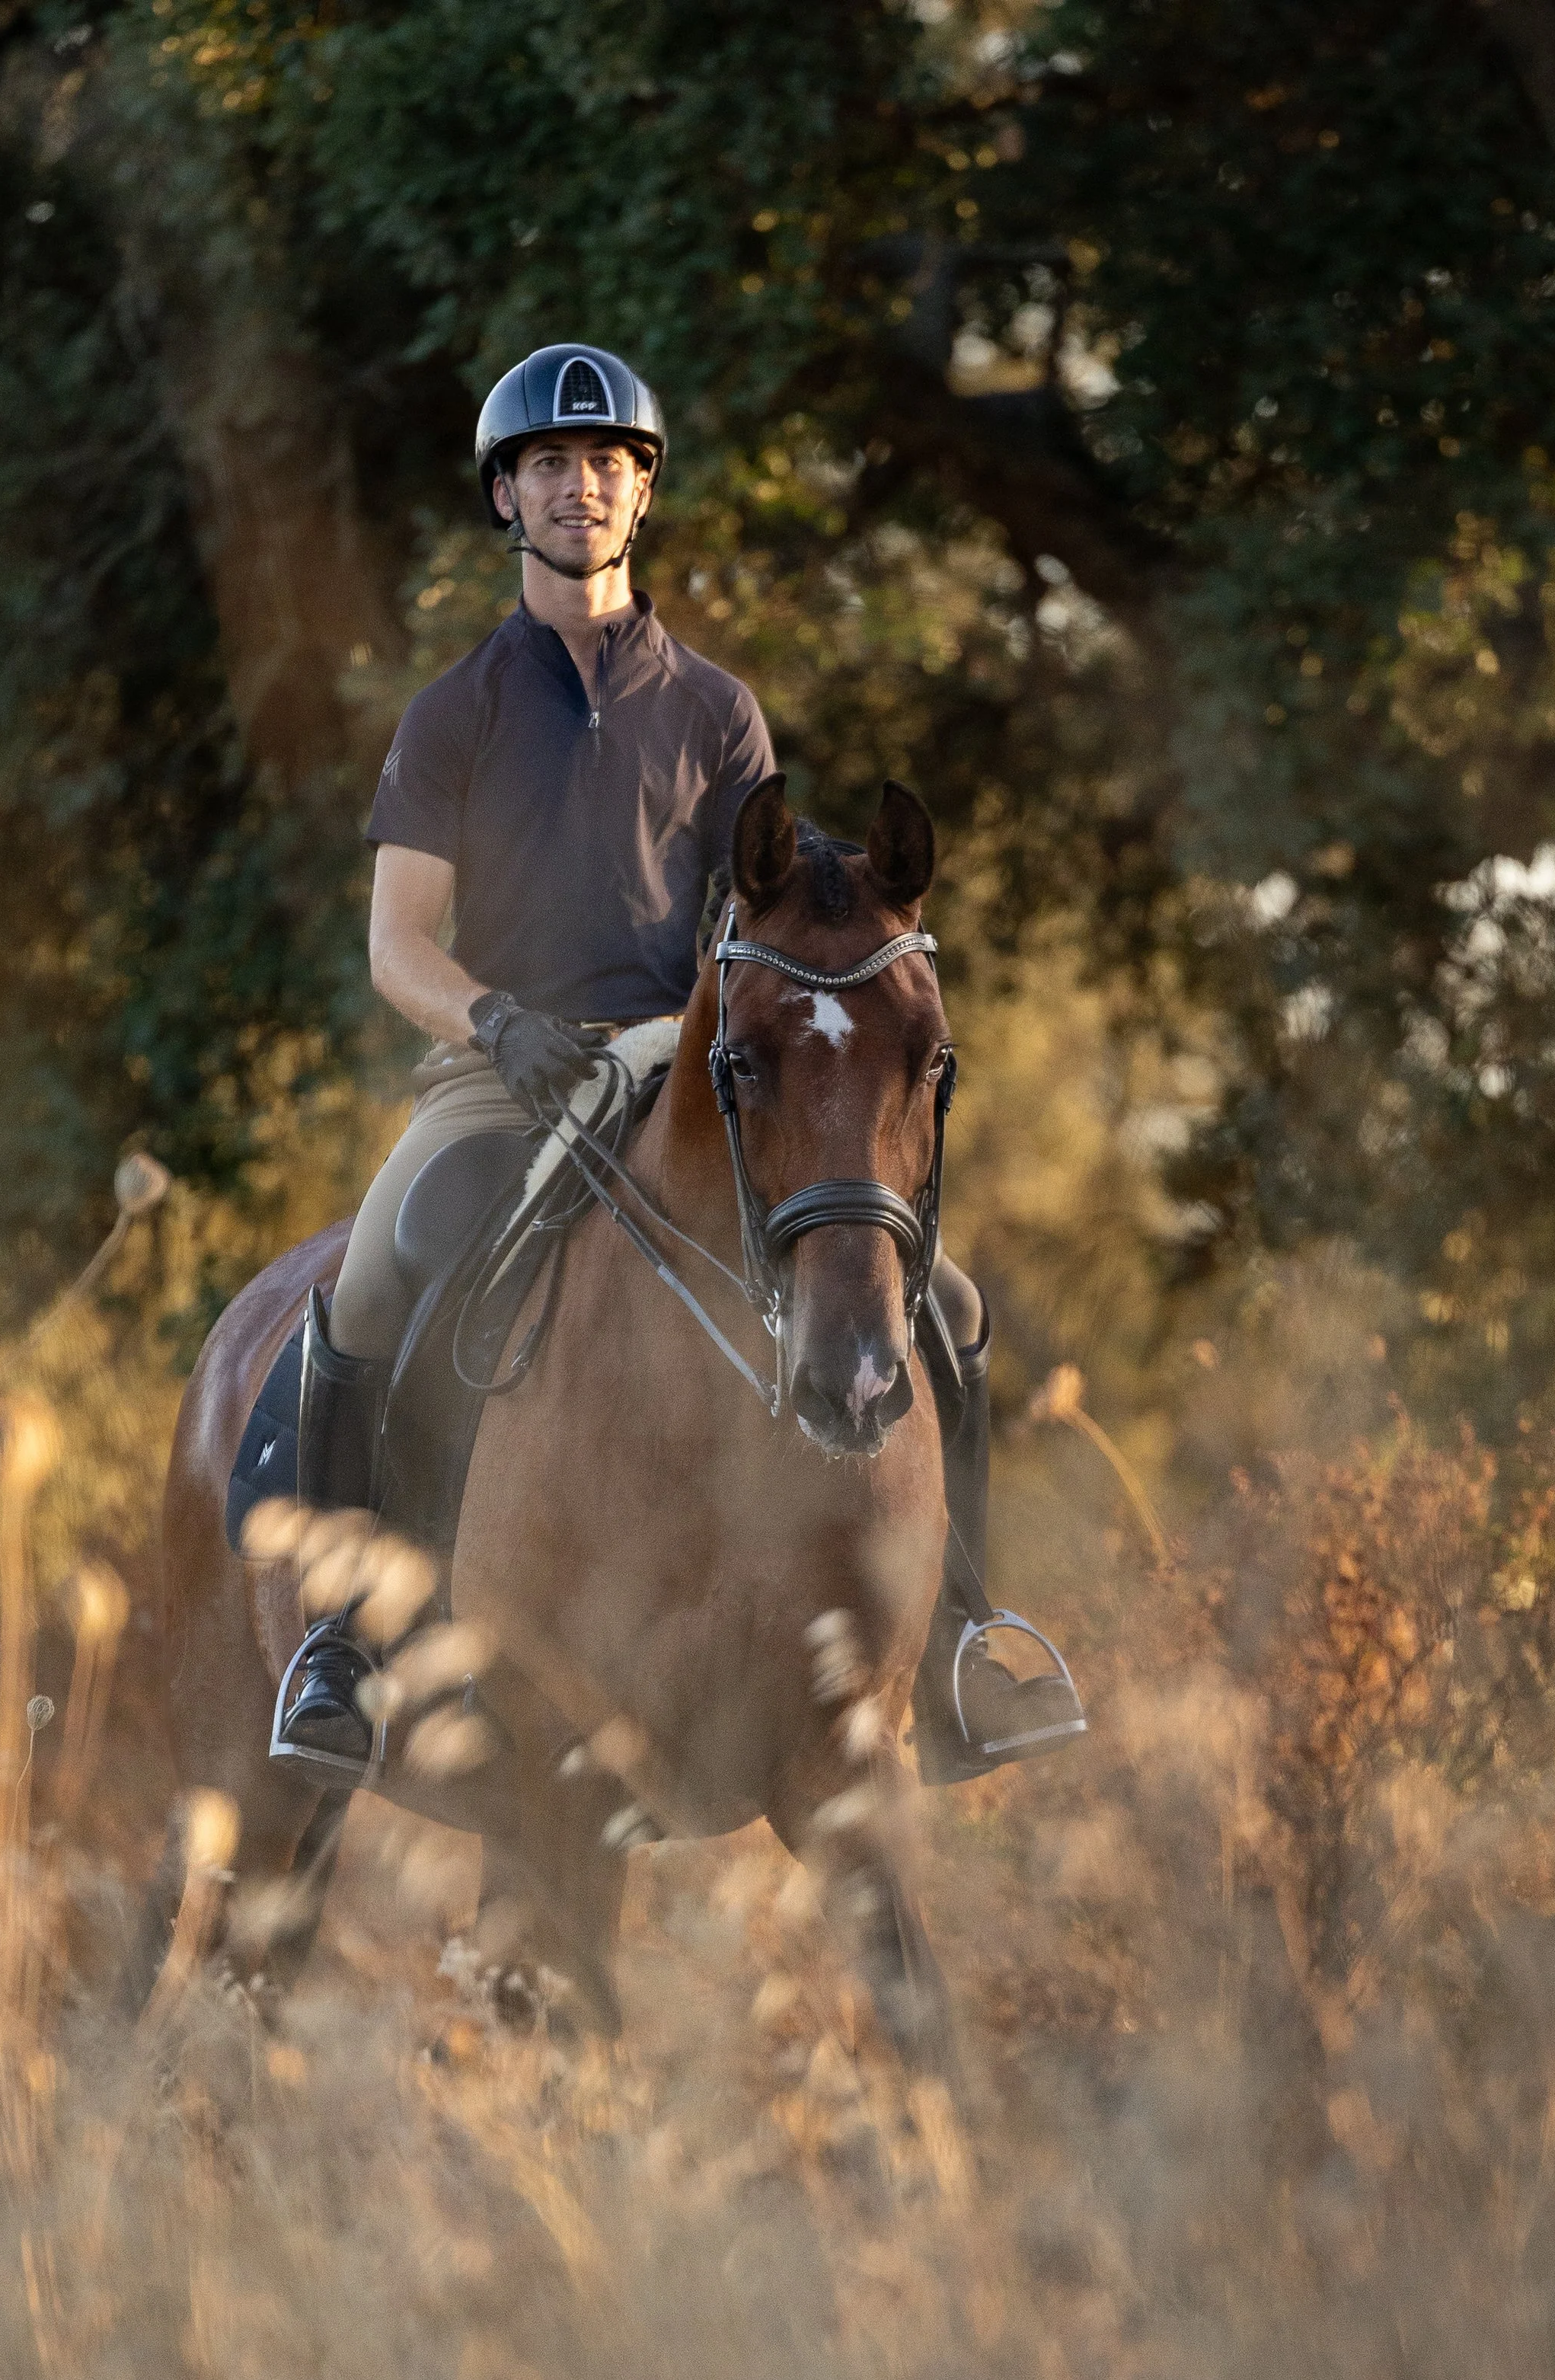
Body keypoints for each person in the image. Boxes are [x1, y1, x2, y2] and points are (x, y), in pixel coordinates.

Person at [274, 341, 1004, 1778]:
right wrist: (498, 1022)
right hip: (502, 1074)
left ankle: (972, 1628)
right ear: (508, 496)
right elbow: (397, 946)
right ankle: (340, 1645)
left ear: (640, 493)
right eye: (550, 464)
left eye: (606, 463)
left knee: (952, 1310)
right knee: (376, 1274)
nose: (580, 486)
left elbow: (767, 919)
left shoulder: (720, 710)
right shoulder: (455, 711)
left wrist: (709, 1038)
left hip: (687, 1075)